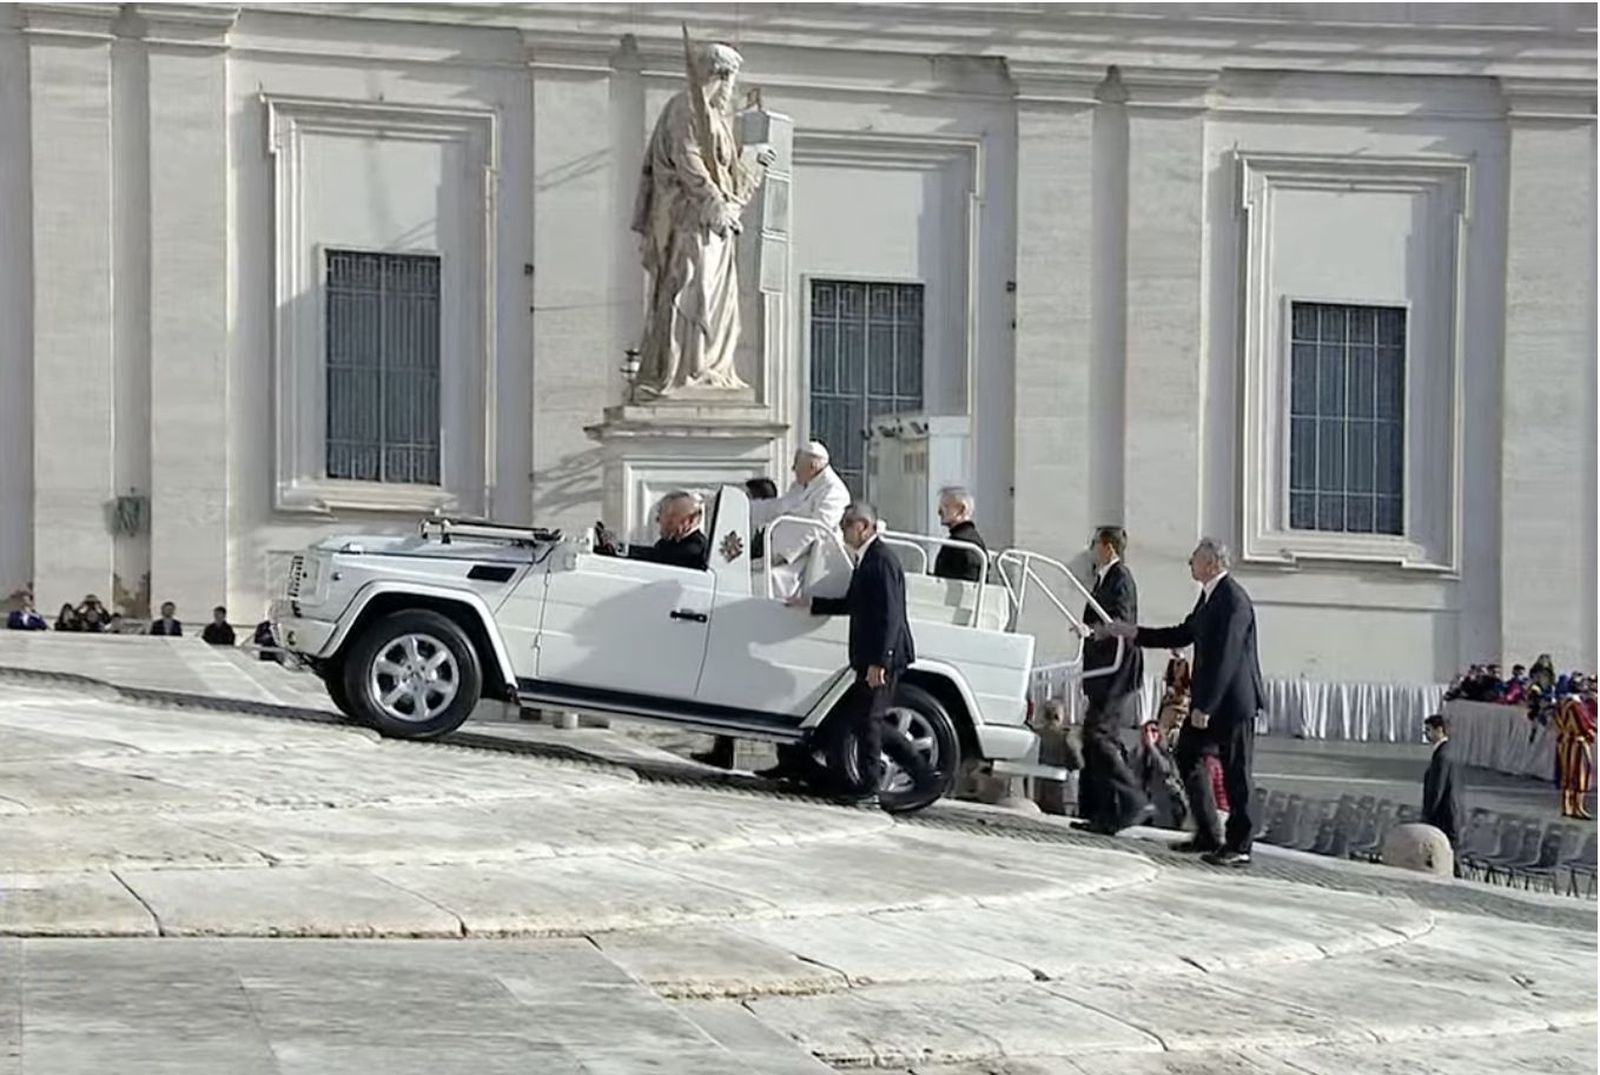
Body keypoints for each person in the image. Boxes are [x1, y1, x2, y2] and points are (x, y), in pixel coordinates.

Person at [1098, 538, 1266, 867]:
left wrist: (1205, 706)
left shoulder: (1233, 601)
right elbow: (1182, 633)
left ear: (1211, 564)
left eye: (1194, 559)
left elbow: (1227, 659)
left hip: (1231, 703)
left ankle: (1240, 844)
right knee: (1188, 754)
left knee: (1237, 773)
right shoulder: (1209, 598)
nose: (1189, 563)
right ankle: (1207, 832)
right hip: (1209, 701)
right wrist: (1131, 632)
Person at [630, 39, 776, 396]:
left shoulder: (713, 117)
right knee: (696, 292)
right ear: (722, 75)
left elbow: (723, 172)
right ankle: (690, 370)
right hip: (692, 222)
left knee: (717, 302)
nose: (732, 89)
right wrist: (715, 204)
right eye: (731, 80)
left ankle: (710, 368)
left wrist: (753, 158)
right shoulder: (687, 109)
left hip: (715, 226)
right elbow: (689, 161)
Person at [789, 501, 933, 806]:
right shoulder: (867, 559)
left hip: (881, 658)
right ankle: (919, 777)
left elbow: (890, 615)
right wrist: (812, 604)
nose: (843, 533)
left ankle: (873, 787)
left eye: (846, 527)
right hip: (870, 656)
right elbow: (853, 603)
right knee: (866, 720)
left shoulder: (881, 561)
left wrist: (880, 661)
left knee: (870, 721)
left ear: (863, 527)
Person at [1075, 526, 1150, 836]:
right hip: (1102, 670)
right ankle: (1099, 811)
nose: (1092, 548)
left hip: (1115, 672)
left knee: (1099, 737)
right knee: (1094, 737)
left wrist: (1095, 632)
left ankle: (1130, 801)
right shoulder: (1104, 577)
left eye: (1094, 543)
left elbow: (1121, 619)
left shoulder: (1121, 578)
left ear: (1107, 547)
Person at [750, 442, 852, 599]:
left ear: (812, 466)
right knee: (749, 574)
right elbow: (778, 507)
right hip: (782, 555)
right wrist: (747, 508)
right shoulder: (800, 485)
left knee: (766, 581)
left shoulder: (834, 491)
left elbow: (817, 529)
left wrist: (784, 555)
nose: (792, 469)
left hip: (807, 560)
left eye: (796, 464)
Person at [596, 491, 708, 570]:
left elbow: (656, 558)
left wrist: (619, 548)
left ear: (688, 521)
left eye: (664, 514)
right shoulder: (668, 542)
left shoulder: (695, 548)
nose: (657, 520)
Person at [1421, 713, 1464, 850]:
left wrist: (1427, 815)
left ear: (1439, 730)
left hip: (1444, 817)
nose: (1426, 735)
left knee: (1448, 855)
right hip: (1449, 814)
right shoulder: (1449, 751)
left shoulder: (1442, 755)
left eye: (1428, 730)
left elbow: (1437, 789)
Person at [1554, 687, 1596, 820]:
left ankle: (1566, 806)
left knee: (1567, 775)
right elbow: (1582, 725)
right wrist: (1592, 732)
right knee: (1580, 774)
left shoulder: (1561, 704)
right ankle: (1578, 807)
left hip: (1565, 743)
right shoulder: (1575, 706)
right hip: (1577, 743)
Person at [932, 487, 987, 582]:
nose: (939, 512)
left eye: (945, 507)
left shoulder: (963, 544)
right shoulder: (966, 540)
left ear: (961, 510)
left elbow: (969, 583)